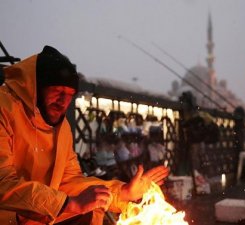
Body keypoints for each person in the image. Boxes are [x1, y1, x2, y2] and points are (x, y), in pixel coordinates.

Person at [0, 46, 169, 225]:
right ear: (36, 88)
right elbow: (3, 183)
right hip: (8, 217)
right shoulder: (5, 109)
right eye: (57, 92)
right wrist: (68, 204)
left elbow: (70, 180)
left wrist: (122, 192)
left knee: (92, 205)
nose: (63, 101)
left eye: (69, 95)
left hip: (37, 215)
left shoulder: (61, 127)